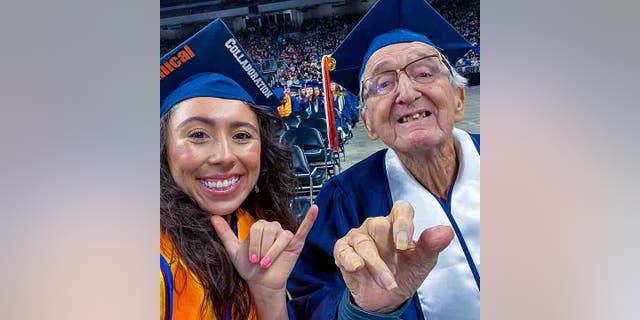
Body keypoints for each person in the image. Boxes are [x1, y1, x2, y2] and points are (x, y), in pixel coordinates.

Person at [288, 0, 479, 319]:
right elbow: (312, 300)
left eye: (424, 72)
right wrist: (362, 309)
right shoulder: (344, 202)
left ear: (458, 99)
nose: (406, 93)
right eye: (383, 83)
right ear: (368, 122)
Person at [160, 19, 317, 320]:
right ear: (162, 150)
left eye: (242, 135)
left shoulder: (264, 231)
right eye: (197, 135)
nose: (223, 156)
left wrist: (269, 298)